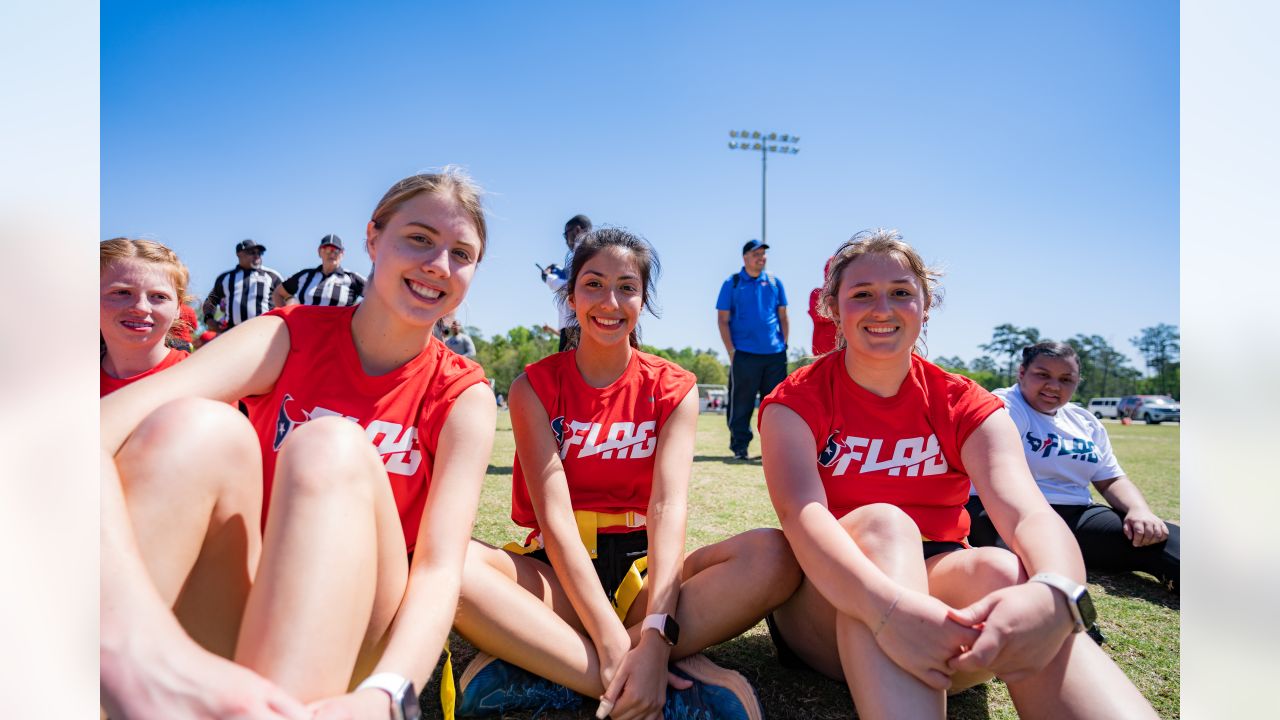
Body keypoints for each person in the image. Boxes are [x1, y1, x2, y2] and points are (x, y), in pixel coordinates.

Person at [100, 169, 497, 720]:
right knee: (192, 426)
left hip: (360, 622)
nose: (438, 264)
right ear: (373, 238)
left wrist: (387, 697)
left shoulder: (462, 394)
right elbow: (88, 436)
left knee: (329, 443)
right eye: (420, 239)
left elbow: (438, 571)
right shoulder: (288, 334)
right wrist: (128, 636)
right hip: (239, 596)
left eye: (462, 253)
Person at [758, 229, 1157, 718]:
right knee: (885, 523)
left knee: (1006, 570)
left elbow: (1029, 512)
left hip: (941, 588)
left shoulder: (965, 402)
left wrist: (1057, 593)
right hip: (829, 598)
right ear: (834, 310)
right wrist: (888, 609)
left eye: (901, 293)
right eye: (862, 294)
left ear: (925, 306)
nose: (882, 307)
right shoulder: (796, 401)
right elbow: (804, 518)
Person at [453, 228, 799, 719]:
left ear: (643, 298)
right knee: (450, 563)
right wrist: (617, 645)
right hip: (557, 573)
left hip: (644, 572)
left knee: (775, 554)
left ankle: (547, 664)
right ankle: (641, 680)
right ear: (570, 296)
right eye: (592, 284)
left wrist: (657, 633)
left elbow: (667, 507)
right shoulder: (534, 386)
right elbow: (555, 518)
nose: (609, 301)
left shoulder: (674, 387)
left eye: (627, 286)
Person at [966, 341, 1180, 592]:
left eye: (1066, 379)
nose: (1054, 386)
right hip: (999, 511)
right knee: (1018, 565)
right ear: (1022, 373)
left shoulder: (1084, 421)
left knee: (1164, 539)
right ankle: (1057, 612)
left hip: (1073, 514)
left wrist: (1139, 510)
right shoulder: (1000, 407)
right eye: (1042, 375)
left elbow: (1111, 479)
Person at [715, 239, 789, 460]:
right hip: (744, 354)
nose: (761, 258)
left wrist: (784, 345)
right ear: (745, 257)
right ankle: (740, 447)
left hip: (775, 354)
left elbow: (783, 316)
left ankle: (774, 449)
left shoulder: (775, 282)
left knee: (775, 404)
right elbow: (722, 319)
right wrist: (731, 351)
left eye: (763, 254)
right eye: (756, 254)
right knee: (742, 403)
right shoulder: (733, 283)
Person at [100, 237, 193, 396]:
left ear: (178, 307)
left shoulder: (202, 382)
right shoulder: (65, 384)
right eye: (122, 292)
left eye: (159, 296)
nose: (141, 308)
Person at [202, 238, 284, 332]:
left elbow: (287, 300)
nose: (257, 256)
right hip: (233, 333)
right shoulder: (225, 278)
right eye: (252, 252)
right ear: (239, 254)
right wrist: (209, 319)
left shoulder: (273, 276)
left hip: (265, 333)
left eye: (259, 253)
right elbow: (210, 301)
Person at [272, 233, 367, 308]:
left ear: (342, 254)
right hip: (305, 331)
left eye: (336, 250)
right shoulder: (304, 276)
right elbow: (278, 293)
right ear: (319, 252)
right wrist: (287, 319)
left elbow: (377, 295)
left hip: (337, 331)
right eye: (327, 249)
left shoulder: (352, 278)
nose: (332, 254)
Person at [541, 214, 592, 351]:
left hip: (574, 325)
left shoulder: (581, 252)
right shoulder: (593, 252)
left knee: (569, 371)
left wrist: (549, 279)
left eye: (566, 235)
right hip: (583, 324)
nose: (566, 240)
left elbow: (573, 288)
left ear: (576, 231)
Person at [808, 256, 837, 356]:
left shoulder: (846, 294)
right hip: (822, 352)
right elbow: (819, 316)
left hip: (845, 351)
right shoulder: (816, 294)